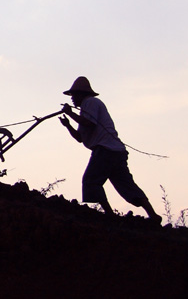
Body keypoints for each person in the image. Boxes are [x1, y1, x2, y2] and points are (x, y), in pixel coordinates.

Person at [58, 76, 161, 225]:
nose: (72, 99)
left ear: (81, 94)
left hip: (105, 150)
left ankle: (109, 214)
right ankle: (153, 215)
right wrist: (68, 124)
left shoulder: (90, 102)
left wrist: (70, 113)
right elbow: (80, 137)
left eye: (74, 95)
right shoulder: (86, 110)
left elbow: (90, 124)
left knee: (91, 181)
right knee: (126, 184)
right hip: (116, 151)